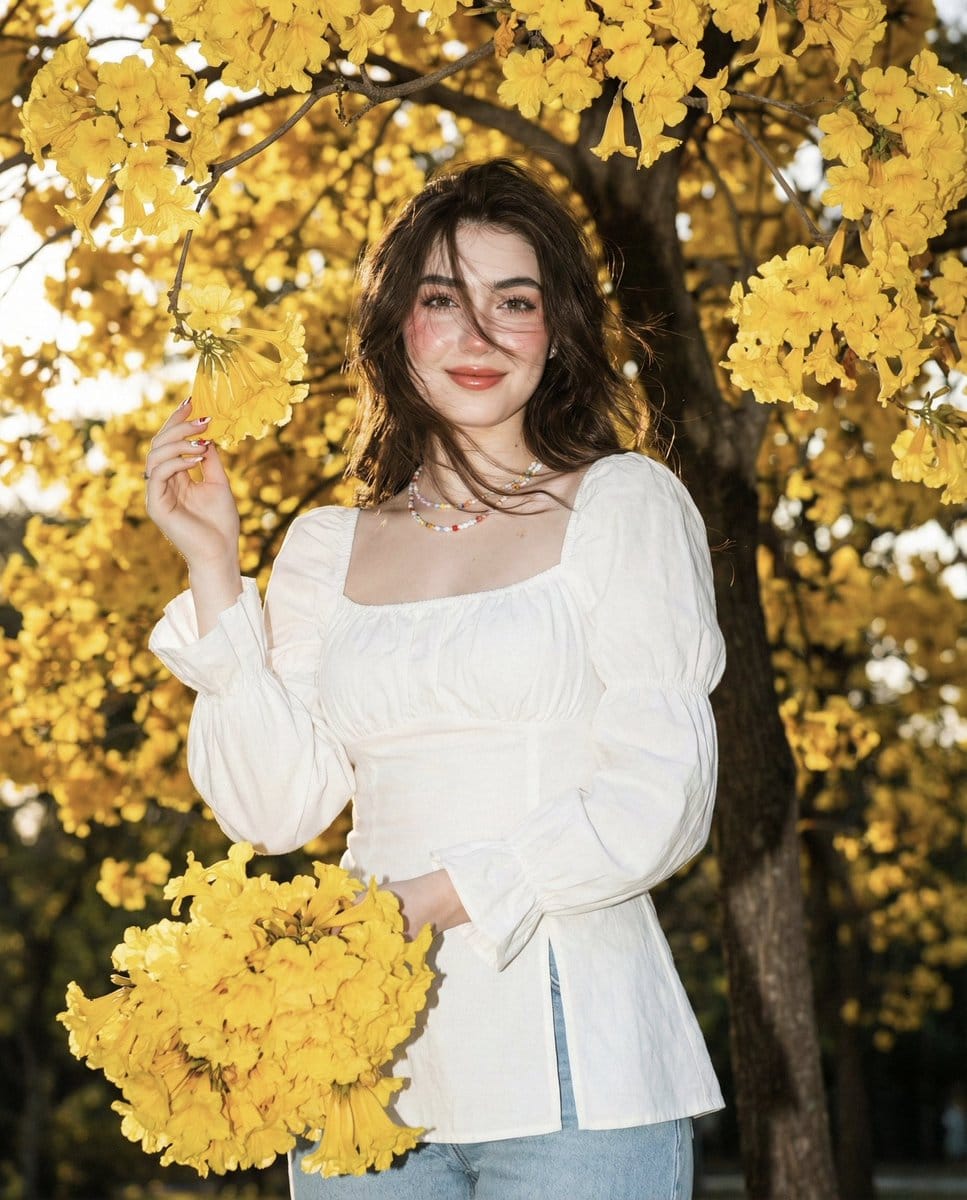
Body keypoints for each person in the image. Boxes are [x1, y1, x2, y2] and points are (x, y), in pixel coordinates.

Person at [145, 158, 726, 1199]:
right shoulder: (326, 545)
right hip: (355, 1074)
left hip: (576, 1074)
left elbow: (659, 798)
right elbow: (273, 809)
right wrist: (211, 567)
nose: (478, 336)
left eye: (515, 301)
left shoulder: (625, 505)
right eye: (440, 301)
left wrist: (431, 900)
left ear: (557, 332)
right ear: (393, 330)